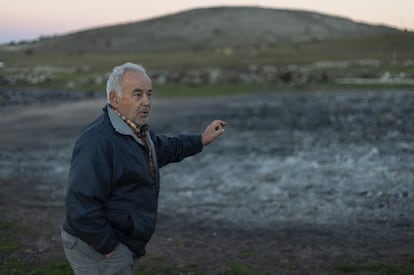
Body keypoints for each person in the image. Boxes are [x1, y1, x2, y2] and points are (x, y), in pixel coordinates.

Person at [61, 62, 225, 275]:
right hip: (95, 248)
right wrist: (110, 248)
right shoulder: (98, 141)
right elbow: (81, 207)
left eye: (149, 94)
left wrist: (201, 140)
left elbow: (162, 149)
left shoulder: (135, 130)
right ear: (114, 99)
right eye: (137, 95)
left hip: (116, 242)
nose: (147, 102)